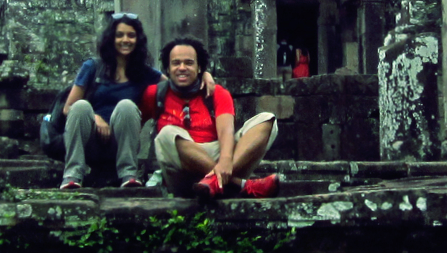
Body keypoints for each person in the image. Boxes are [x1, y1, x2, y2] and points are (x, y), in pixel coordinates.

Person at [143, 36, 280, 199]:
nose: (182, 67)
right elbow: (130, 118)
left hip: (221, 159)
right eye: (176, 63)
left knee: (267, 120)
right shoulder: (154, 94)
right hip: (182, 173)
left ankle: (216, 182)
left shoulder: (216, 93)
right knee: (166, 134)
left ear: (199, 67)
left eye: (189, 63)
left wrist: (225, 161)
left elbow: (225, 132)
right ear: (167, 68)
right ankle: (239, 185)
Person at [58, 14, 163, 190]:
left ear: (138, 40)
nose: (125, 40)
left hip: (122, 143)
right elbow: (68, 108)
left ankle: (128, 174)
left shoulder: (144, 73)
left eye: (131, 35)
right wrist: (96, 118)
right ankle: (72, 176)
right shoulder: (92, 67)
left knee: (127, 106)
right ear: (111, 38)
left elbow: (176, 84)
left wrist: (204, 74)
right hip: (89, 141)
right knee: (81, 106)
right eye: (119, 35)